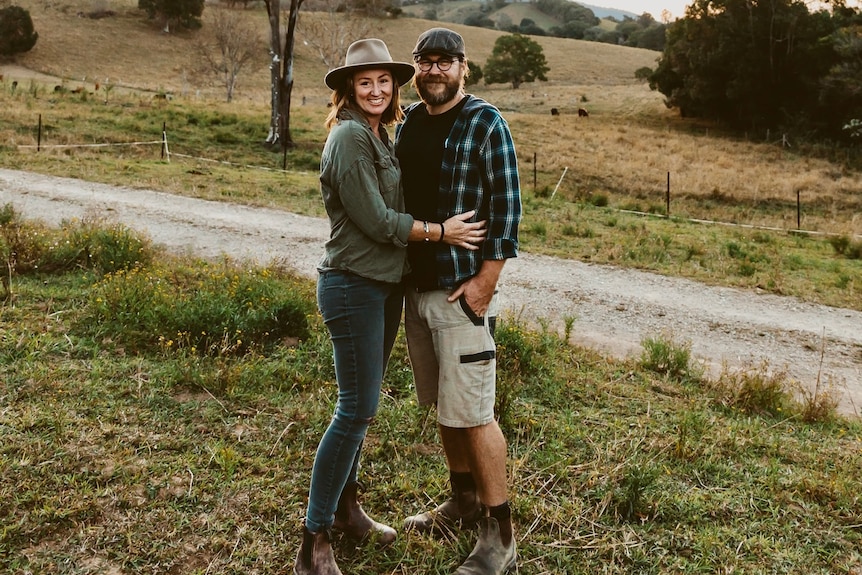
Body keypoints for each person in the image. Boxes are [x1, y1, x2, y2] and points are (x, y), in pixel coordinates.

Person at [295, 38, 487, 575]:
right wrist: (441, 233)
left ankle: (348, 511)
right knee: (353, 411)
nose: (376, 90)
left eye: (384, 81)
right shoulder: (351, 138)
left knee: (362, 410)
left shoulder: (382, 134)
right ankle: (313, 541)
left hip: (382, 287)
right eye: (365, 82)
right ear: (348, 90)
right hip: (353, 285)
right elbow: (379, 221)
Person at [395, 28, 522, 575]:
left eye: (445, 62)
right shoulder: (410, 124)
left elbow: (507, 207)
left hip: (460, 290)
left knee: (473, 412)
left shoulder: (485, 122)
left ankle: (500, 534)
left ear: (464, 68)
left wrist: (485, 282)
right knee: (446, 406)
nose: (434, 70)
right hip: (416, 289)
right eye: (425, 61)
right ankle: (463, 499)